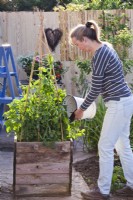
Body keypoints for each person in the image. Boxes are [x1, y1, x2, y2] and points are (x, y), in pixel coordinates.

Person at [69, 20, 133, 200]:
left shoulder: (100, 54)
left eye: (77, 44)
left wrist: (81, 110)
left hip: (119, 103)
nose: (78, 48)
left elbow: (95, 88)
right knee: (123, 146)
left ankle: (102, 191)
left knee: (105, 146)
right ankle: (132, 186)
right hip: (124, 101)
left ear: (84, 39)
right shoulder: (105, 48)